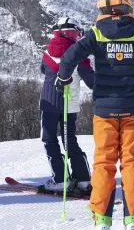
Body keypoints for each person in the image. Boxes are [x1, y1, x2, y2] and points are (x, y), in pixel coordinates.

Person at [56, 0, 134, 230]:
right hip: (133, 108)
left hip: (104, 110)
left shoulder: (96, 34)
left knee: (104, 163)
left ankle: (102, 220)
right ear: (128, 7)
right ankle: (133, 218)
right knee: (132, 162)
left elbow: (70, 56)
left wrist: (63, 77)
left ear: (102, 8)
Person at [38, 16, 95, 195]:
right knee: (69, 140)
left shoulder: (47, 52)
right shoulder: (79, 53)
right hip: (69, 104)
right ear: (75, 33)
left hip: (49, 101)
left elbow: (43, 69)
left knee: (49, 140)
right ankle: (83, 179)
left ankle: (60, 180)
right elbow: (91, 80)